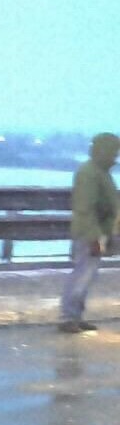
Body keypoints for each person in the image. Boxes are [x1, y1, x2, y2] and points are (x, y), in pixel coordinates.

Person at [59, 132, 120, 333]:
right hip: (90, 233)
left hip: (99, 232)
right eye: (113, 152)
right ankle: (68, 317)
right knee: (83, 274)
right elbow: (85, 208)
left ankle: (75, 316)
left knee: (88, 274)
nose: (115, 157)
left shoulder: (101, 172)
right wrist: (95, 237)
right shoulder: (89, 172)